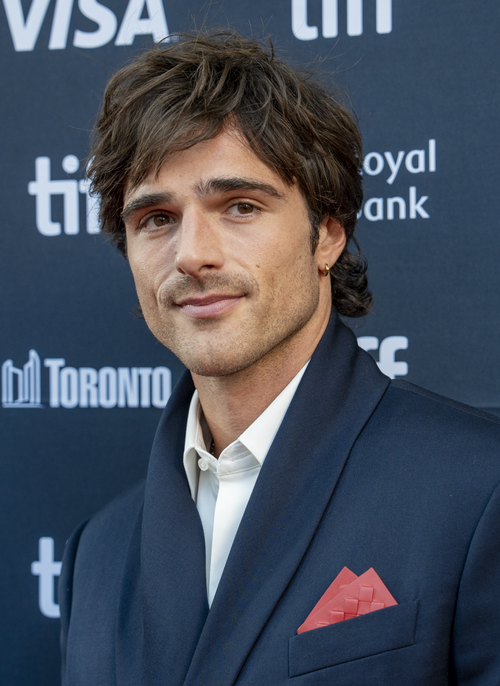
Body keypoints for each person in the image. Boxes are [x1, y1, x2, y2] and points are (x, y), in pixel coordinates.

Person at [59, 31, 500, 686]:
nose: (191, 254)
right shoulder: (96, 555)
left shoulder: (480, 488)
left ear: (327, 234)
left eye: (239, 207)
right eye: (156, 218)